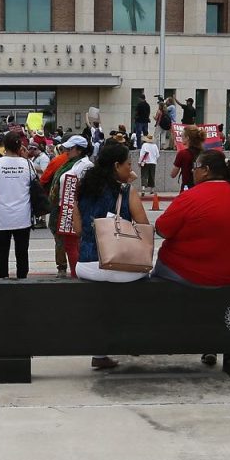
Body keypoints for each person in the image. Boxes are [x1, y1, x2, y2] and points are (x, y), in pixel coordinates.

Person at [156, 150, 230, 366]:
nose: (192, 171)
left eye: (195, 167)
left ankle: (159, 330)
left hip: (192, 273)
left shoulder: (191, 196)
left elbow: (162, 229)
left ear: (206, 171)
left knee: (160, 268)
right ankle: (209, 344)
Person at [71, 141, 148, 368]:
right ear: (116, 165)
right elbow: (144, 226)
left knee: (103, 300)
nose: (130, 168)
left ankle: (100, 353)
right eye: (128, 164)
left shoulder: (84, 189)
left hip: (86, 265)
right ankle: (132, 340)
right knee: (143, 278)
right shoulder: (126, 191)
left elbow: (77, 230)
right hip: (117, 265)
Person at [0, 130, 35, 279]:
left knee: (2, 253)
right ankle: (22, 279)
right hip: (22, 216)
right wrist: (25, 158)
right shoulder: (27, 164)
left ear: (4, 146)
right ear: (20, 146)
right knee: (22, 252)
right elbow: (35, 183)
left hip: (1, 217)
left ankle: (2, 281)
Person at [52, 136, 93, 278]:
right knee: (70, 245)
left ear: (80, 150)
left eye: (70, 148)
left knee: (73, 244)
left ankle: (77, 275)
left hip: (74, 208)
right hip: (66, 206)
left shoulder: (85, 166)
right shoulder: (73, 164)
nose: (66, 151)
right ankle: (76, 274)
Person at [170, 125, 203, 194]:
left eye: (182, 136)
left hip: (187, 189)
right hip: (201, 188)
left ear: (187, 138)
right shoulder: (205, 153)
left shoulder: (182, 154)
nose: (181, 138)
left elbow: (173, 174)